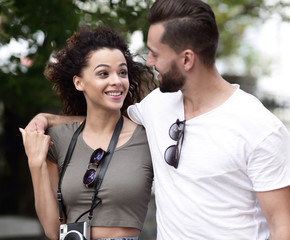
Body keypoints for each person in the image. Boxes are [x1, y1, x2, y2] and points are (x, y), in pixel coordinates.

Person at [24, 0, 290, 239]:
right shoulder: (157, 105)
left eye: (155, 53)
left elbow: (283, 227)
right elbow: (103, 118)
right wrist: (47, 119)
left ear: (186, 59)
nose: (148, 61)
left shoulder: (260, 128)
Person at [20, 25, 156, 240]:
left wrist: (48, 117)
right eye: (103, 73)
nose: (117, 81)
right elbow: (53, 231)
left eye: (122, 72)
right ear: (79, 82)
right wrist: (36, 163)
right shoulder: (59, 139)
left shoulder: (148, 137)